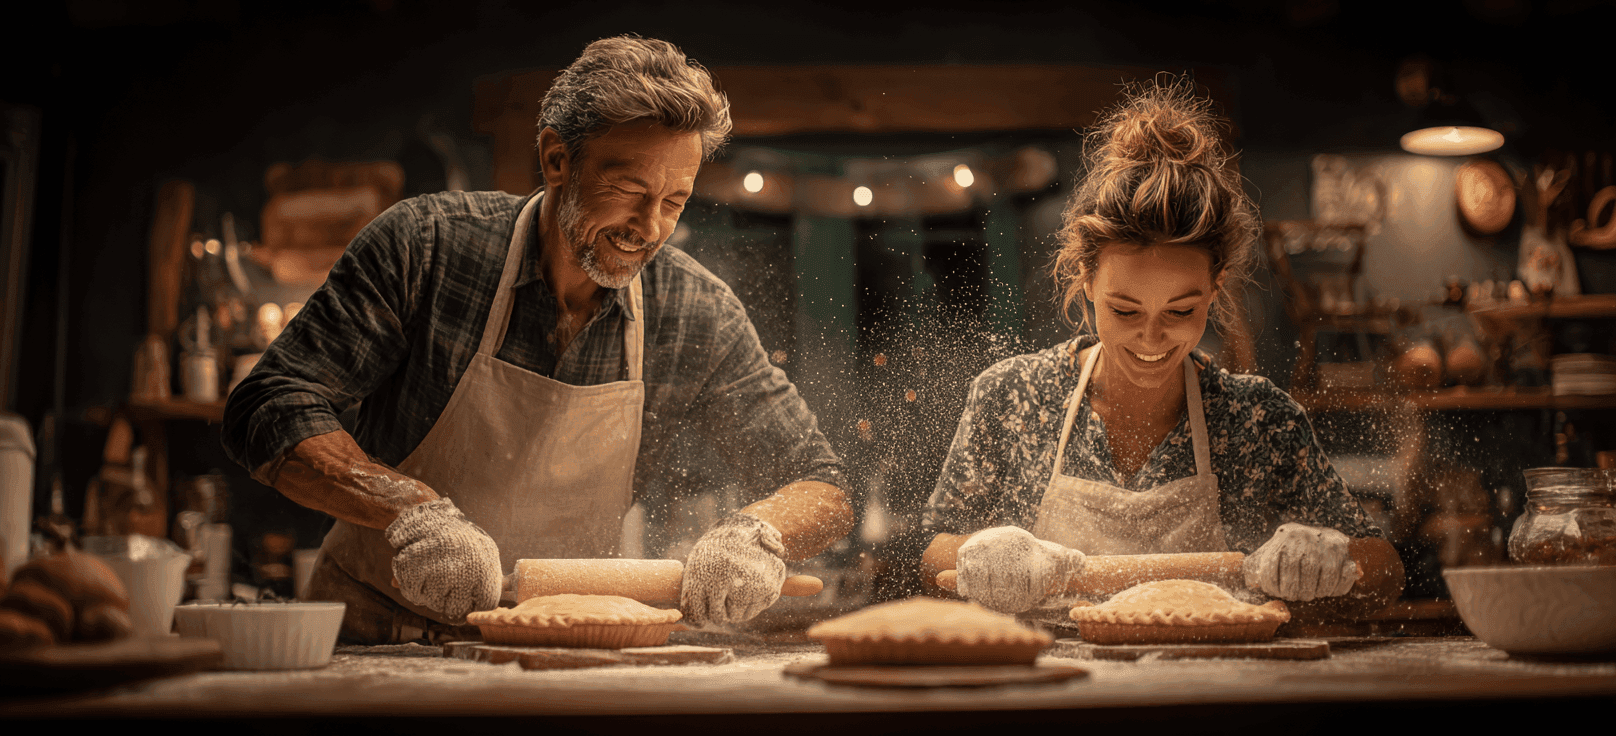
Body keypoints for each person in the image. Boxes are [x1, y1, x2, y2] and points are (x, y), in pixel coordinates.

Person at [221, 36, 853, 643]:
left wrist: (758, 534)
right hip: (376, 632)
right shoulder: (427, 248)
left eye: (675, 200)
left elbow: (821, 483)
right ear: (557, 159)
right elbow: (271, 402)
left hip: (568, 639)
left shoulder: (695, 310)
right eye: (630, 191)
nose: (649, 226)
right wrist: (411, 511)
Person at [919, 78, 1402, 616]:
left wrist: (1324, 560)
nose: (1151, 338)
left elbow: (1384, 568)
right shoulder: (1012, 397)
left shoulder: (1258, 421)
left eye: (1181, 311)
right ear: (1086, 279)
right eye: (1125, 310)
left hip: (1213, 688)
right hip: (1052, 688)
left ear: (1215, 289)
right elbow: (935, 552)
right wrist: (982, 556)